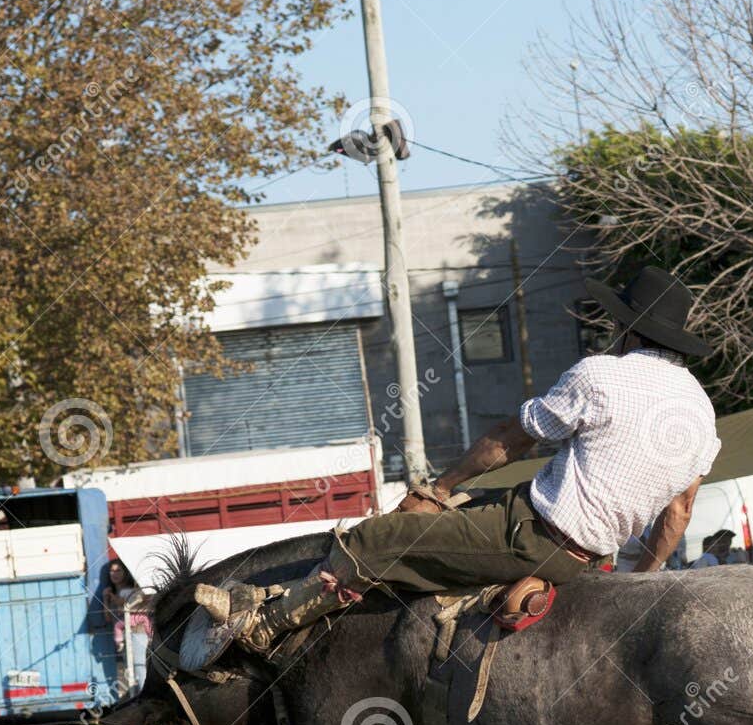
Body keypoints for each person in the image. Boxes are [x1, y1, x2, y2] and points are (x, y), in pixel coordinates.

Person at [190, 266, 721, 664]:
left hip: (530, 532)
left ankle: (262, 624)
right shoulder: (700, 411)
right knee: (447, 524)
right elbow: (678, 513)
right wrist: (637, 582)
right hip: (586, 556)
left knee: (378, 540)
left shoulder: (603, 375)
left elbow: (511, 440)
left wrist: (438, 487)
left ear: (625, 329)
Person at [103, 558, 154, 694]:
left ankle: (145, 695)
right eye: (111, 571)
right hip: (124, 634)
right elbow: (107, 617)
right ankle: (138, 695)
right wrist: (105, 599)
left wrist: (112, 597)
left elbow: (126, 604)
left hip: (136, 632)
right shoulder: (113, 593)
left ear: (125, 572)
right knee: (130, 669)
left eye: (118, 570)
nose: (114, 574)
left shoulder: (133, 591)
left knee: (139, 666)